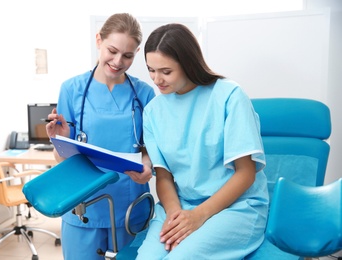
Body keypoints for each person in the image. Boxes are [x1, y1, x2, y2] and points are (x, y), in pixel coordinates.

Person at [136, 23, 269, 259]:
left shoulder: (229, 96)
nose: (157, 79)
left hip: (235, 207)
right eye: (151, 70)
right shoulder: (153, 112)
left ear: (188, 64)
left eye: (166, 71)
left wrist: (198, 216)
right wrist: (177, 216)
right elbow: (164, 177)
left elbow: (246, 173)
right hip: (181, 205)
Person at [45, 13, 156, 260]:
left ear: (137, 53)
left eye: (128, 55)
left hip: (130, 208)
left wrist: (147, 166)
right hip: (83, 206)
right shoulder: (71, 90)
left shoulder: (145, 94)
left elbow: (152, 150)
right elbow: (63, 160)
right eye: (112, 50)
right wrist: (59, 141)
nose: (118, 61)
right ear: (99, 40)